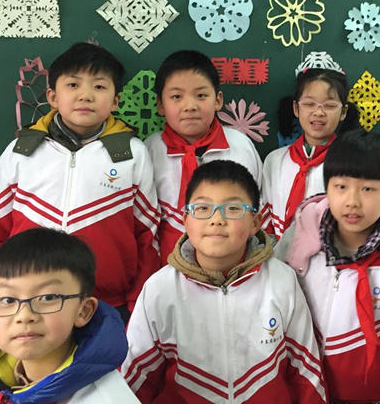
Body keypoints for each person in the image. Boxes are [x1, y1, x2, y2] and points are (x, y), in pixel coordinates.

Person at [0, 42, 159, 323]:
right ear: (52, 96)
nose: (86, 95)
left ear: (116, 100)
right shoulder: (21, 152)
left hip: (111, 307)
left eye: (99, 86)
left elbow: (148, 237)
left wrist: (138, 306)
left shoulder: (132, 154)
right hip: (28, 307)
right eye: (73, 85)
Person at [122, 160, 326, 403]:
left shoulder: (282, 281)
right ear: (186, 221)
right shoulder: (159, 289)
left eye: (233, 208)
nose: (216, 219)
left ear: (255, 223)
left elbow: (305, 371)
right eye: (202, 208)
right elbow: (135, 379)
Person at [277, 129, 380, 402]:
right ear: (327, 187)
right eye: (341, 187)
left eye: (367, 189)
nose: (352, 201)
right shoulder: (295, 247)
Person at [0, 228, 139, 403]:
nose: (24, 315)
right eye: (7, 300)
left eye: (47, 298)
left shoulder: (108, 399)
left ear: (83, 311)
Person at [146, 50, 262, 262]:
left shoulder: (240, 146)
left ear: (218, 100)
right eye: (176, 97)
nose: (190, 106)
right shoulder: (149, 151)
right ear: (161, 105)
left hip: (233, 266)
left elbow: (257, 209)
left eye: (201, 95)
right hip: (165, 266)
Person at [260, 52, 357, 239]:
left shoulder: (352, 163)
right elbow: (266, 219)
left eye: (329, 106)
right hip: (280, 251)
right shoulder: (275, 160)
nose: (318, 112)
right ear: (296, 108)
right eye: (310, 104)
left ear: (344, 112)